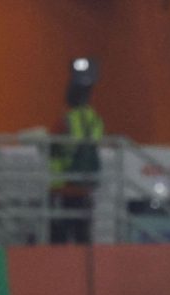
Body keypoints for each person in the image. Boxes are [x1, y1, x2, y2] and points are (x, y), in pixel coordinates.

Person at [50, 66, 104, 244]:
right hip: (87, 182)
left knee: (60, 232)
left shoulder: (67, 118)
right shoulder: (95, 119)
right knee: (83, 232)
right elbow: (96, 141)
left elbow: (56, 147)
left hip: (66, 181)